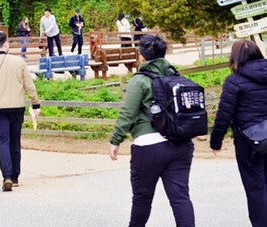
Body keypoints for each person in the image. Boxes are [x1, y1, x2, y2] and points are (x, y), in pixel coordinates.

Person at [109, 35, 195, 226]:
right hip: (181, 144)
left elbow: (128, 112)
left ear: (141, 57)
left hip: (149, 145)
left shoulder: (139, 80)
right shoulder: (175, 76)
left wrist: (116, 140)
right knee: (180, 198)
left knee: (142, 198)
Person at [211, 40, 267, 226]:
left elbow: (224, 115)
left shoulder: (234, 80)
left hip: (249, 141)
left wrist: (216, 142)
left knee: (255, 188)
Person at [0, 31, 40, 191]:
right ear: (6, 44)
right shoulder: (19, 62)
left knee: (2, 142)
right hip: (16, 107)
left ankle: (6, 176)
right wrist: (35, 103)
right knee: (14, 141)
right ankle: (15, 177)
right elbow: (29, 86)